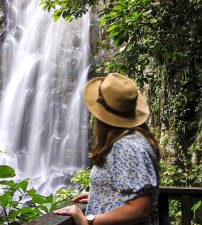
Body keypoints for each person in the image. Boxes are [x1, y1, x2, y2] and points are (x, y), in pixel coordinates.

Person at [53, 73, 160, 225]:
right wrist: (101, 195)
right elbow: (132, 191)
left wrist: (88, 221)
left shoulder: (126, 147)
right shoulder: (138, 139)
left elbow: (140, 208)